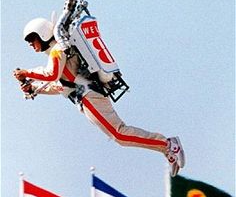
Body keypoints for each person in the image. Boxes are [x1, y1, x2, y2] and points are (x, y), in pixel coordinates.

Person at [13, 17, 185, 177]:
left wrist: (28, 72)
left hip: (90, 97)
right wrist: (34, 88)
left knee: (119, 135)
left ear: (42, 34)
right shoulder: (57, 52)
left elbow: (51, 74)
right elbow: (61, 85)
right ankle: (166, 147)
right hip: (86, 98)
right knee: (119, 135)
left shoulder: (58, 50)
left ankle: (168, 145)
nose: (30, 44)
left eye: (31, 39)